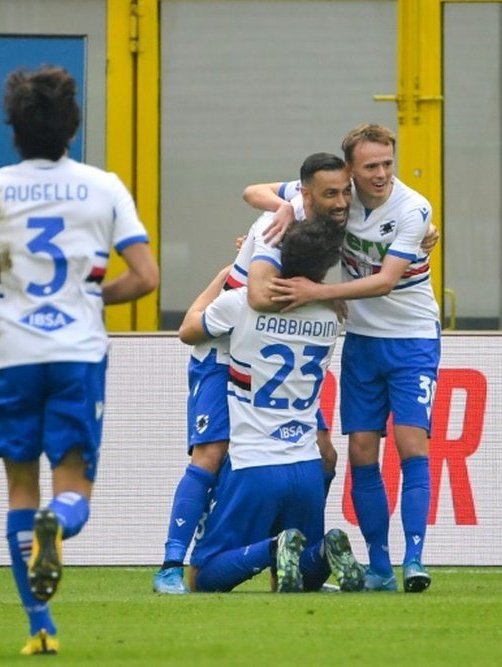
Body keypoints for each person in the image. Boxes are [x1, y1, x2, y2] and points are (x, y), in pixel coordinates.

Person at [0, 66, 159, 655]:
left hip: (11, 354)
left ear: (13, 127)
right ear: (72, 125)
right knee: (71, 488)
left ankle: (40, 627)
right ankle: (58, 525)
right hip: (76, 354)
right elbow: (145, 278)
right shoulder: (104, 187)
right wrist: (90, 297)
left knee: (18, 491)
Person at [243, 124, 440, 593]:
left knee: (413, 444)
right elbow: (253, 192)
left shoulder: (413, 209)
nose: (382, 174)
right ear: (351, 171)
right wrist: (285, 206)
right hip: (362, 341)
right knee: (361, 453)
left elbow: (387, 281)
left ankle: (415, 560)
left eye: (388, 163)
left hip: (412, 337)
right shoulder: (339, 198)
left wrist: (321, 291)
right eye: (371, 166)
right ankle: (380, 567)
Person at [151, 153, 350, 594]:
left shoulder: (335, 217)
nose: (341, 201)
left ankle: (293, 558)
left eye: (345, 191)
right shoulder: (276, 226)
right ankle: (169, 564)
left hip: (256, 339)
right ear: (306, 194)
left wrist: (321, 293)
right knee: (212, 452)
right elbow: (257, 297)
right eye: (331, 193)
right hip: (223, 348)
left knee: (326, 454)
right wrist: (323, 296)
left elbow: (253, 193)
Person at [180, 215, 366, 594]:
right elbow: (321, 297)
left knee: (203, 578)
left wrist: (228, 273)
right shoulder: (333, 314)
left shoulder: (241, 303)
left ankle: (271, 547)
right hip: (306, 466)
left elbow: (189, 329)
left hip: (255, 465)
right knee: (298, 574)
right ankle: (324, 555)